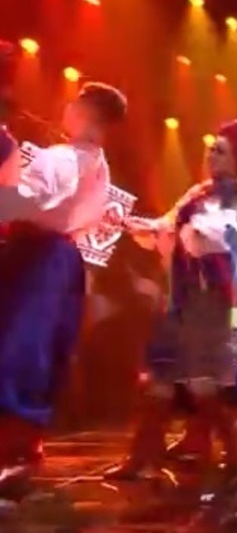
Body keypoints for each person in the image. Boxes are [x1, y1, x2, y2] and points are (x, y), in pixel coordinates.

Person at [105, 119, 237, 487]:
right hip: (182, 296)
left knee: (202, 382)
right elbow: (166, 226)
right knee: (160, 377)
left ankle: (235, 457)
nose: (211, 154)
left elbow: (216, 237)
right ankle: (141, 459)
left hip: (210, 299)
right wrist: (130, 224)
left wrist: (182, 233)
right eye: (211, 147)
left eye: (221, 150)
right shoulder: (197, 193)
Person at [0, 82, 126, 494]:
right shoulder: (96, 163)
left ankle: (14, 448)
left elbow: (32, 202)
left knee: (21, 342)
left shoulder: (65, 157)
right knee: (39, 344)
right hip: (60, 256)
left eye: (72, 102)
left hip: (39, 253)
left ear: (84, 111)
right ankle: (23, 444)